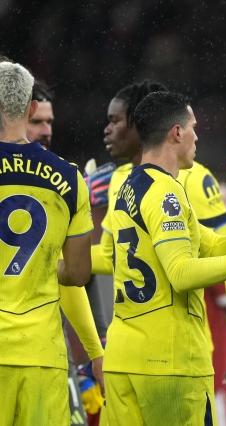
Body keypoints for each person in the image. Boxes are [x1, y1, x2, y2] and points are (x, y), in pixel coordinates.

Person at [102, 91, 226, 426]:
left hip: (124, 358)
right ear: (176, 132)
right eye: (193, 127)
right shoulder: (165, 193)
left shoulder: (129, 186)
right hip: (168, 363)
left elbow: (207, 244)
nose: (197, 136)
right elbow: (181, 272)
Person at [0, 61, 93, 425]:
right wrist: (44, 263)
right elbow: (79, 273)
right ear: (32, 108)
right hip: (41, 352)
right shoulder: (69, 178)